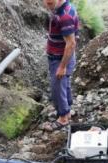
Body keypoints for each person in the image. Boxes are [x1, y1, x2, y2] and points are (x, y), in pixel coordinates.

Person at [42, 0, 79, 132]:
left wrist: (62, 66)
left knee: (57, 88)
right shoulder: (61, 7)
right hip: (59, 55)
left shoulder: (65, 16)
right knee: (64, 84)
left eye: (50, 3)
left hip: (60, 58)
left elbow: (71, 44)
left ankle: (63, 118)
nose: (46, 4)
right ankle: (67, 112)